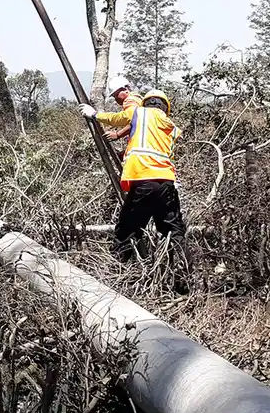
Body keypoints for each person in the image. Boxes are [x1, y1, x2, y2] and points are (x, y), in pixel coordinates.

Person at [80, 89, 192, 293]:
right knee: (174, 231)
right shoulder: (171, 126)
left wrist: (95, 114)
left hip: (143, 180)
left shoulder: (140, 112)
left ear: (146, 103)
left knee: (126, 230)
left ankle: (116, 279)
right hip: (166, 183)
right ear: (165, 107)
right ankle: (183, 283)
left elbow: (119, 118)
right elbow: (154, 146)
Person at [102, 85, 141, 151]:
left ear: (126, 90)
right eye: (114, 96)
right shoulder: (138, 100)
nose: (116, 99)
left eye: (116, 95)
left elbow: (135, 121)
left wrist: (117, 134)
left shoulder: (130, 100)